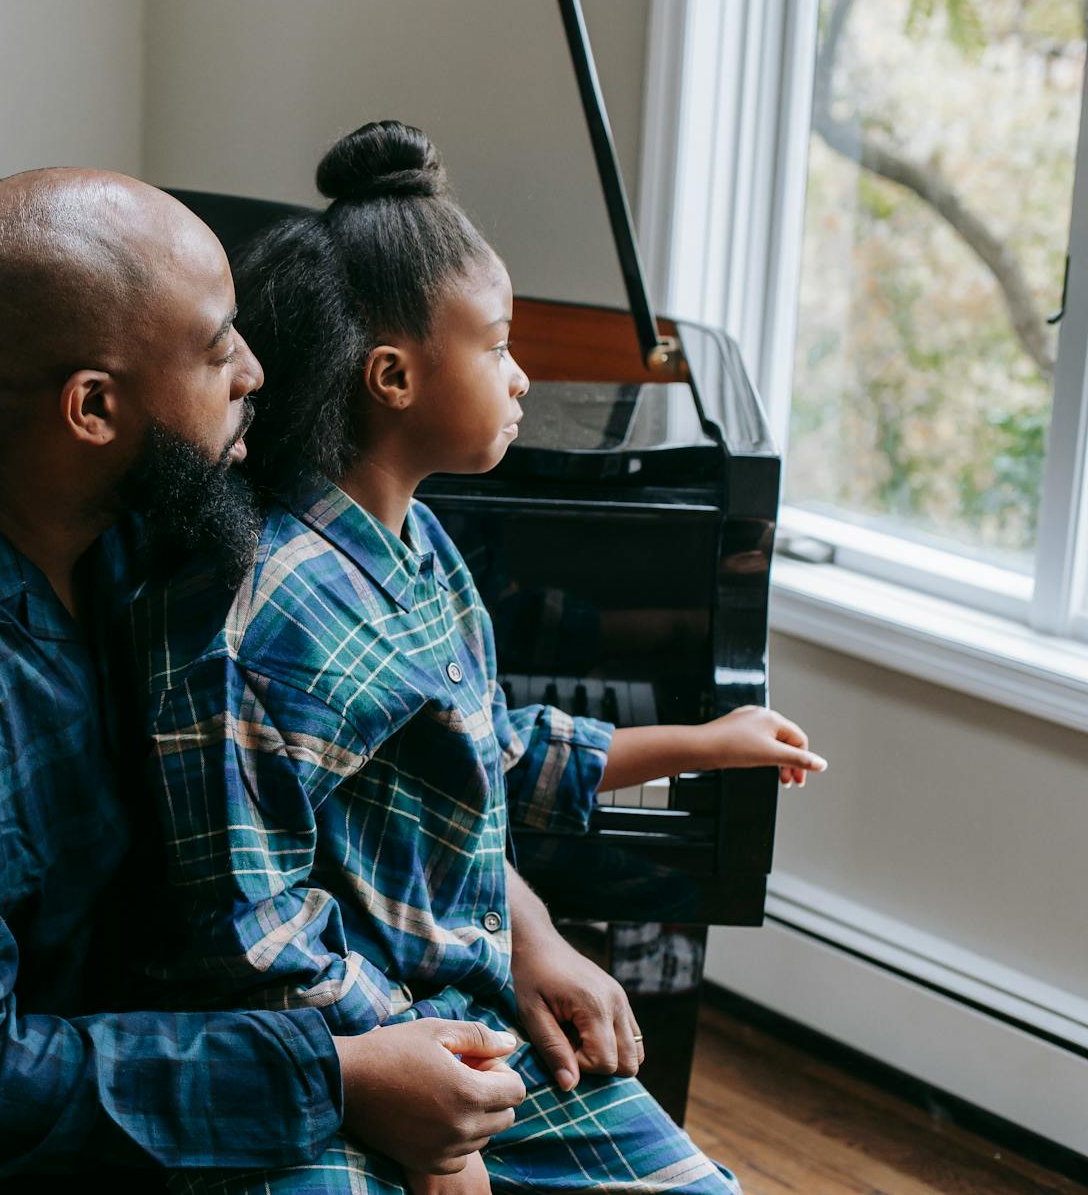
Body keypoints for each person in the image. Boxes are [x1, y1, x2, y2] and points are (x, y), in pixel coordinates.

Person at [0, 167, 529, 1194]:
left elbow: (361, 755)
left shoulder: (135, 500)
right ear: (91, 407)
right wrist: (334, 1078)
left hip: (133, 1037)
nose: (256, 370)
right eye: (218, 351)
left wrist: (532, 929)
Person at [119, 121, 827, 1195]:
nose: (521, 376)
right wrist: (430, 1099)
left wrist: (702, 739)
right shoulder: (262, 614)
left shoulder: (423, 547)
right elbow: (251, 933)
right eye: (496, 343)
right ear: (393, 376)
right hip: (323, 1055)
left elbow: (490, 750)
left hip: (453, 1018)